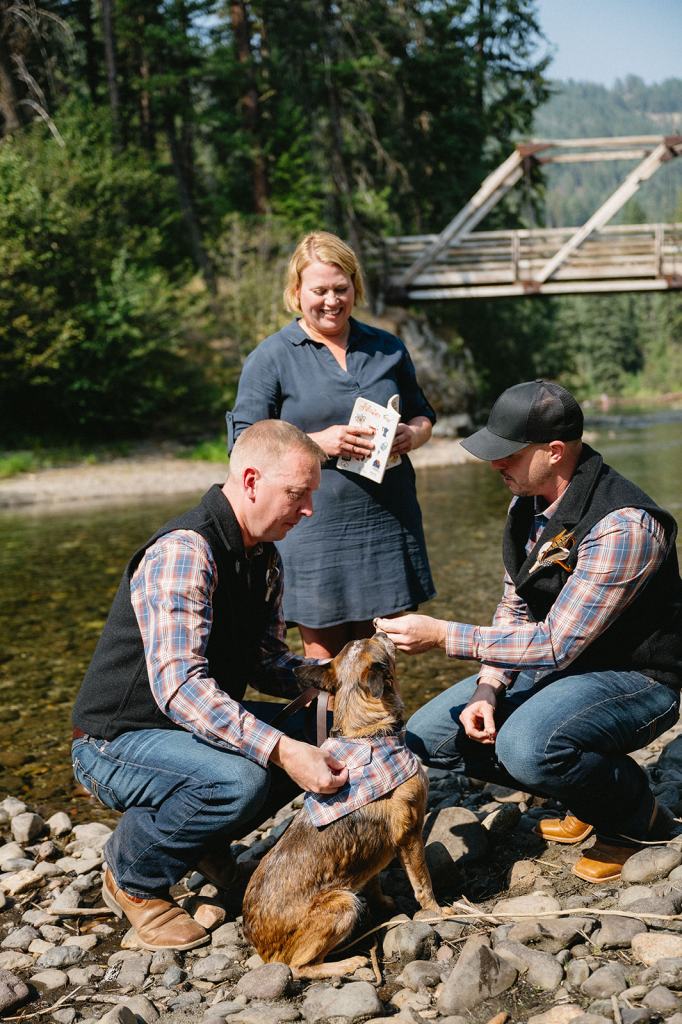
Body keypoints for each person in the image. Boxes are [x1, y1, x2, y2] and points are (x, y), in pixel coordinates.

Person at [377, 379, 682, 883]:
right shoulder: (529, 500)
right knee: (432, 738)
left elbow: (554, 643)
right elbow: (515, 607)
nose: (494, 464)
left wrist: (442, 635)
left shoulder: (624, 525)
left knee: (527, 747)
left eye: (508, 454)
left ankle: (634, 818)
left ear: (555, 452)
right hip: (567, 668)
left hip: (640, 678)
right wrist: (487, 686)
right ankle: (586, 788)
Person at [71, 421, 349, 951]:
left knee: (329, 726)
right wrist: (282, 749)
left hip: (185, 731)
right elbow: (179, 687)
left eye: (311, 493)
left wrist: (337, 676)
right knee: (239, 779)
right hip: (115, 740)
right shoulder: (185, 551)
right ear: (250, 480)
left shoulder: (264, 556)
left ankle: (202, 838)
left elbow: (267, 661)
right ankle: (132, 875)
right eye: (298, 493)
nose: (308, 507)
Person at [228, 230, 436, 659]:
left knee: (381, 660)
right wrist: (315, 443)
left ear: (355, 288)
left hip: (387, 519)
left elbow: (424, 414)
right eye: (319, 290)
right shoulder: (271, 357)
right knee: (324, 669)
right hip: (312, 527)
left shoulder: (387, 347)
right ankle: (322, 731)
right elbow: (242, 444)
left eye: (341, 289)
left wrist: (412, 435)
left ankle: (381, 730)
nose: (331, 300)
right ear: (296, 292)